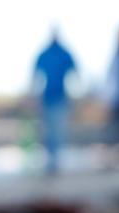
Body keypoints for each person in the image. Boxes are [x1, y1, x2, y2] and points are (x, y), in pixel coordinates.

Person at [33, 30, 77, 174]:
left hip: (57, 97)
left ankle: (54, 161)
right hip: (51, 97)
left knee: (54, 130)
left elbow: (74, 72)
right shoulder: (50, 53)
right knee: (52, 130)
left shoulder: (58, 53)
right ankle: (51, 161)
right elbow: (36, 75)